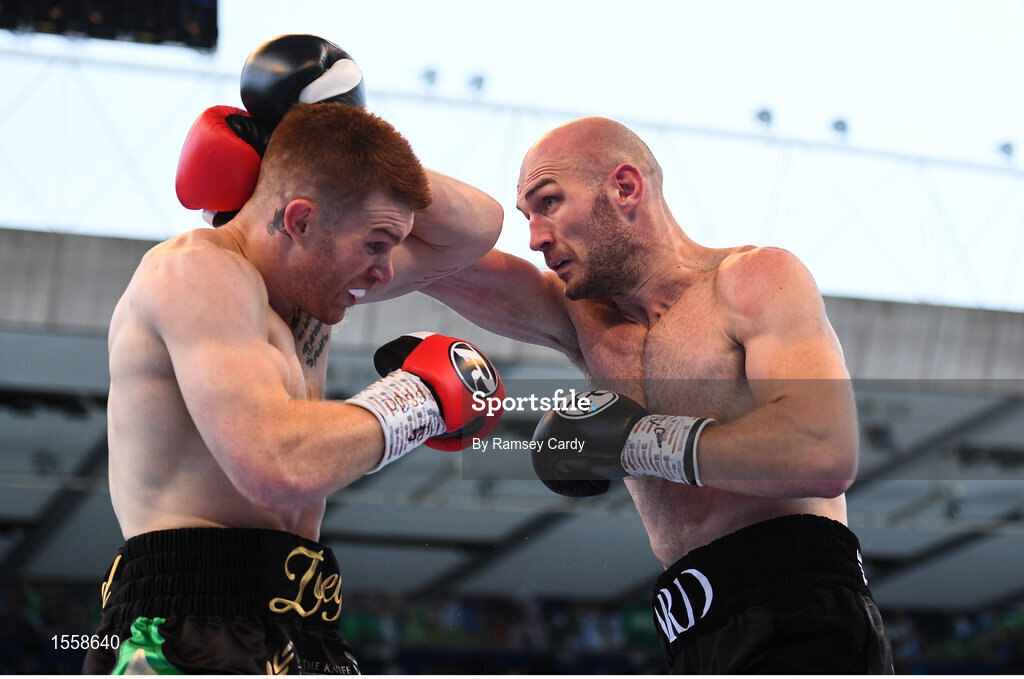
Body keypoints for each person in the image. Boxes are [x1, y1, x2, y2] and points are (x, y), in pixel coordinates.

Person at [422, 116, 894, 673]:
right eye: (527, 215)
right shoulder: (585, 319)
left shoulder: (753, 280)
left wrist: (636, 441)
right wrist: (320, 141)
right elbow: (435, 254)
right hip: (692, 629)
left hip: (804, 610)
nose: (535, 238)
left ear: (625, 187)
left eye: (548, 203)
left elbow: (823, 453)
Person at [83, 101, 505, 674]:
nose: (386, 272)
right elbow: (275, 467)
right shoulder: (196, 274)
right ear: (302, 221)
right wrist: (416, 401)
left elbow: (478, 228)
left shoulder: (307, 295)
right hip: (187, 621)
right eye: (376, 244)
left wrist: (333, 141)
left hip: (303, 624)